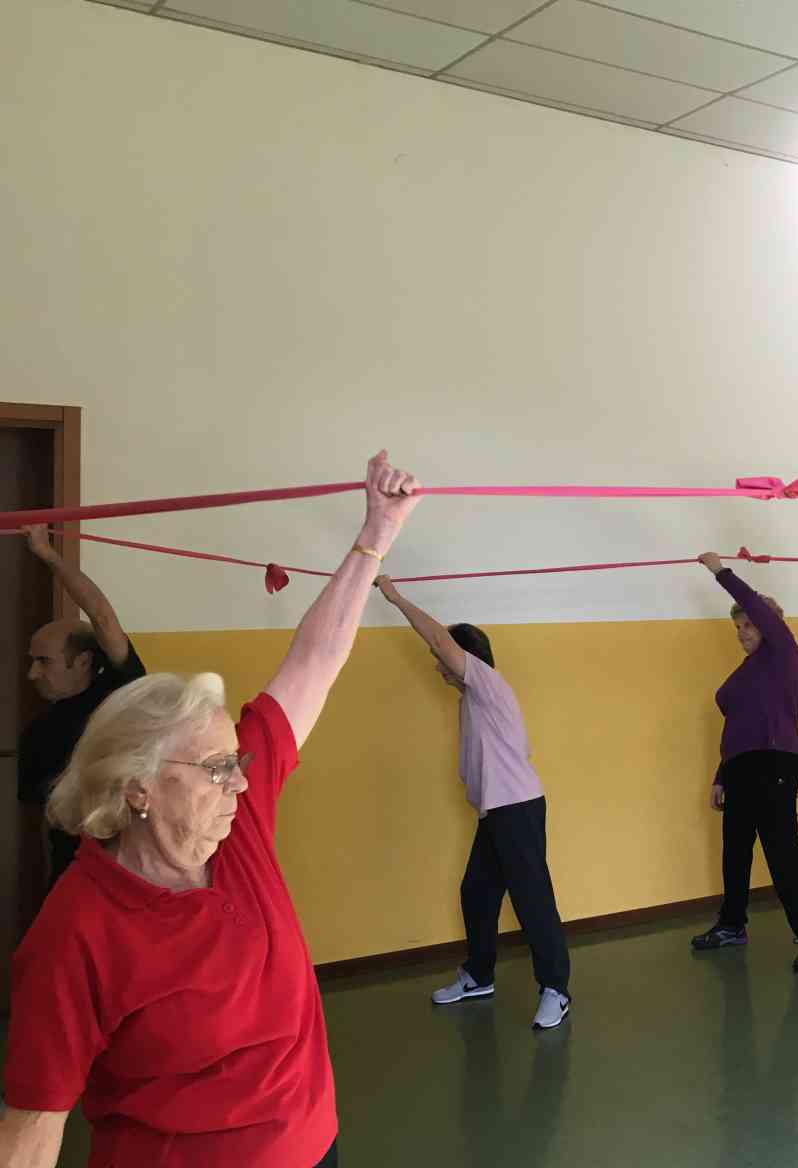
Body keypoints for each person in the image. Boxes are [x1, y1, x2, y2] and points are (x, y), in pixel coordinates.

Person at [0, 451, 420, 1168]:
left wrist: (376, 534)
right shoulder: (74, 932)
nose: (243, 785)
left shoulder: (235, 826)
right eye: (219, 769)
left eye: (238, 762)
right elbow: (31, 1132)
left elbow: (315, 662)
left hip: (315, 1147)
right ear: (138, 786)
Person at [375, 577, 571, 1029]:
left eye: (443, 660)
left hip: (516, 808)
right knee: (477, 892)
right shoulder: (474, 698)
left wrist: (396, 598)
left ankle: (556, 990)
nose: (437, 667)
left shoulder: (485, 682)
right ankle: (479, 976)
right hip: (497, 812)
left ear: (467, 658)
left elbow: (439, 641)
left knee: (532, 901)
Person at [687, 551, 798, 973]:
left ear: (769, 623)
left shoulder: (783, 653)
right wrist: (721, 775)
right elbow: (736, 728)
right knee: (735, 851)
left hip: (774, 761)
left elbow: (755, 606)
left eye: (748, 624)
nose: (741, 632)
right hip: (740, 767)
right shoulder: (744, 673)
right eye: (738, 627)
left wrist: (719, 571)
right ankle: (732, 925)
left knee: (782, 851)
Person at [15, 523, 147, 920]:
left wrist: (47, 554)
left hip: (128, 877)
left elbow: (101, 616)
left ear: (84, 661)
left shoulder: (120, 691)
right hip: (71, 882)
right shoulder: (36, 735)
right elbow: (37, 829)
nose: (32, 674)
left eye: (44, 662)